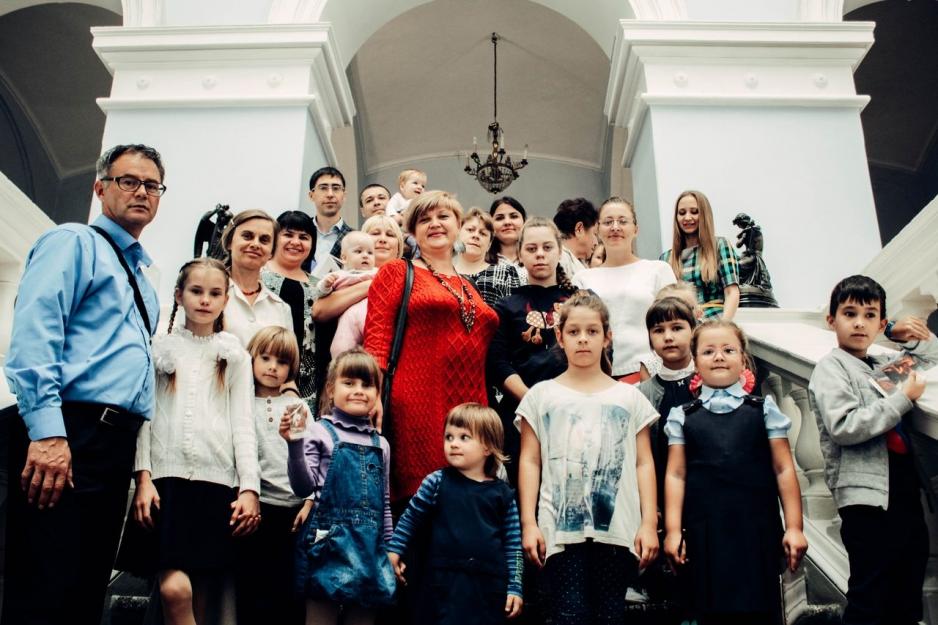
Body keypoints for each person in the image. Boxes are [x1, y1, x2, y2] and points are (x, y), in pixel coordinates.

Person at [3, 143, 164, 625]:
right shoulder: (73, 241)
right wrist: (48, 434)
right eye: (128, 181)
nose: (141, 192)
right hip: (69, 431)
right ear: (100, 188)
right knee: (45, 583)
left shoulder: (144, 280)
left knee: (85, 585)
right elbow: (36, 334)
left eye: (152, 185)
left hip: (114, 444)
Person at [120, 258, 260, 625]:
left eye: (215, 293)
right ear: (179, 295)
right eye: (196, 291)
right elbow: (144, 417)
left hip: (216, 484)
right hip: (166, 483)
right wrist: (143, 478)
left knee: (202, 594)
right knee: (174, 590)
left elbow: (243, 422)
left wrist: (249, 488)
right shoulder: (159, 349)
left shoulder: (234, 355)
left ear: (226, 299)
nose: (205, 300)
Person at [517, 291, 659, 625]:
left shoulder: (630, 398)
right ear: (560, 337)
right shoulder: (541, 396)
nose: (583, 339)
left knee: (610, 616)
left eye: (592, 331)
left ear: (607, 337)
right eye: (574, 332)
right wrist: (529, 524)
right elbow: (530, 461)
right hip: (559, 533)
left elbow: (643, 463)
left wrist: (648, 524)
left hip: (618, 531)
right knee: (569, 615)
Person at [808, 275, 936, 625]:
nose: (859, 323)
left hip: (904, 490)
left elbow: (932, 355)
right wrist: (902, 400)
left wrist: (896, 332)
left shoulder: (880, 366)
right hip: (866, 498)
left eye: (870, 316)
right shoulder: (831, 368)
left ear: (880, 324)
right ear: (832, 320)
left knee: (908, 585)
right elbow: (845, 426)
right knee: (871, 593)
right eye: (850, 314)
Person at [663, 320, 808, 625]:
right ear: (695, 361)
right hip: (705, 535)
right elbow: (676, 475)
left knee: (762, 612)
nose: (719, 356)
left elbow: (783, 468)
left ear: (743, 359)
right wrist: (674, 531)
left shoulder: (764, 410)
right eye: (708, 351)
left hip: (758, 533)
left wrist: (794, 527)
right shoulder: (682, 416)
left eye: (728, 350)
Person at [365, 190, 499, 502]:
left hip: (472, 405)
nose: (435, 223)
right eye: (424, 219)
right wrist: (373, 395)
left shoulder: (469, 286)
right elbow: (377, 339)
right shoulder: (397, 271)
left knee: (468, 499)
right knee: (424, 497)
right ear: (413, 231)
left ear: (458, 225)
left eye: (443, 216)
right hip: (418, 401)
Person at [283, 348, 395, 625]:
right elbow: (302, 488)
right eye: (349, 382)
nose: (358, 390)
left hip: (370, 548)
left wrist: (391, 549)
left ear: (377, 393)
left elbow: (384, 502)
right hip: (327, 545)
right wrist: (294, 445)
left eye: (367, 385)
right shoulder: (319, 431)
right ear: (331, 390)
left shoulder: (381, 444)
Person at [387, 403, 524, 624]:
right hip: (442, 586)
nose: (453, 444)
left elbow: (513, 545)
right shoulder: (436, 482)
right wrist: (394, 550)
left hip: (488, 590)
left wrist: (515, 587)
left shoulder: (503, 495)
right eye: (449, 437)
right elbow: (410, 519)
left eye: (464, 437)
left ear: (488, 447)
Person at [487, 217, 576, 485]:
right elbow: (497, 364)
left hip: (575, 408)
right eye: (532, 248)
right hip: (522, 413)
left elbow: (601, 354)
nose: (540, 254)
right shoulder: (506, 306)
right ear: (520, 253)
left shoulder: (582, 300)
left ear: (559, 251)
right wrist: (532, 400)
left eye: (547, 247)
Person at [235, 326, 312, 625]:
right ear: (252, 358)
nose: (272, 367)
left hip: (294, 512)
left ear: (291, 368)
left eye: (281, 362)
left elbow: (314, 456)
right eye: (265, 358)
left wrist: (310, 501)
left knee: (288, 592)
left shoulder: (297, 407)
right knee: (254, 589)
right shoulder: (242, 405)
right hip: (259, 508)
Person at [574, 197, 676, 383]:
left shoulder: (658, 270)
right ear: (597, 229)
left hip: (649, 371)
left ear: (635, 229)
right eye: (608, 222)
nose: (615, 227)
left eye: (622, 221)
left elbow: (675, 322)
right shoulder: (583, 278)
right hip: (598, 375)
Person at [311, 214, 404, 396]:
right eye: (375, 233)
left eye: (390, 234)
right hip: (349, 370)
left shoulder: (408, 277)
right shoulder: (343, 275)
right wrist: (374, 284)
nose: (382, 239)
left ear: (399, 246)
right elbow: (319, 310)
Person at [262, 210, 319, 406]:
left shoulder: (320, 286)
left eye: (303, 237)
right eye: (288, 234)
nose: (296, 242)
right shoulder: (257, 274)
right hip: (259, 375)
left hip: (306, 384)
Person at [660, 190, 740, 320]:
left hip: (715, 320)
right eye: (682, 213)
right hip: (683, 323)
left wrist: (724, 326)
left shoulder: (720, 246)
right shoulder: (666, 258)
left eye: (694, 212)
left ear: (704, 215)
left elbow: (732, 292)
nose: (687, 217)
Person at [317, 231, 378, 357]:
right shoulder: (339, 275)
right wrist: (326, 285)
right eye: (358, 251)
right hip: (347, 320)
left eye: (370, 253)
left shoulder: (377, 272)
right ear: (344, 258)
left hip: (373, 317)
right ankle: (341, 363)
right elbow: (320, 293)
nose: (365, 256)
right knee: (341, 347)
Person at [454, 206, 522, 307]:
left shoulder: (506, 273)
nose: (476, 235)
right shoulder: (442, 274)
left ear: (489, 244)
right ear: (458, 234)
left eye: (483, 233)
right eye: (470, 230)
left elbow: (516, 311)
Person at [307, 166, 353, 268]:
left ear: (344, 195)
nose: (330, 194)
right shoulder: (299, 232)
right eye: (323, 188)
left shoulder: (355, 237)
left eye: (336, 188)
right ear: (311, 195)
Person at [552, 197, 599, 278]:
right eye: (594, 234)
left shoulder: (581, 263)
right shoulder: (559, 259)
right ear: (579, 229)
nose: (596, 243)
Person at [488, 196, 527, 272]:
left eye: (514, 216)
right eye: (499, 218)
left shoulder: (536, 258)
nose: (507, 222)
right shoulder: (480, 261)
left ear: (524, 222)